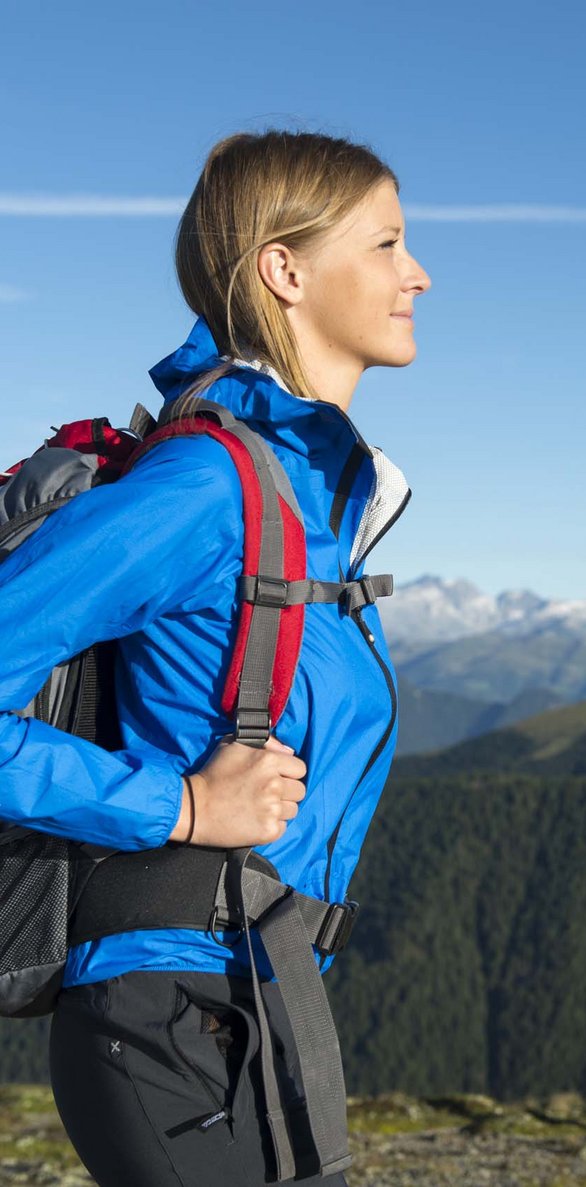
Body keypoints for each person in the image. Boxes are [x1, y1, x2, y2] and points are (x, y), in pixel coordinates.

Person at [0, 129, 430, 1186]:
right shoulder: (205, 488)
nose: (415, 273)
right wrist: (182, 808)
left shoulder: (309, 501)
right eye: (383, 244)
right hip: (165, 1010)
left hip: (261, 992)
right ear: (285, 270)